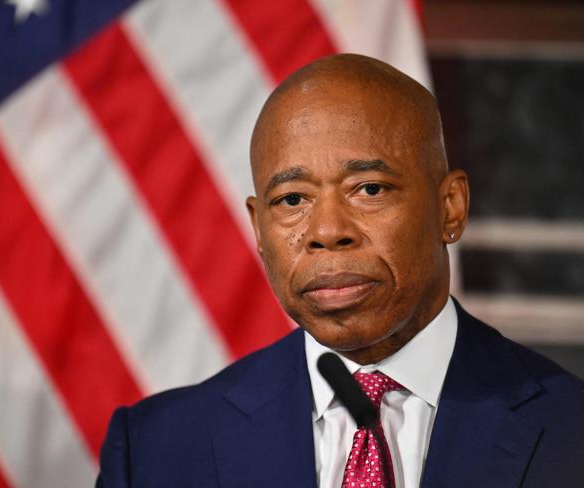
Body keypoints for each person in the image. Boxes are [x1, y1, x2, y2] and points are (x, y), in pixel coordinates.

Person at [96, 54, 584, 487]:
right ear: (259, 231)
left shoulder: (570, 431)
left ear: (450, 208)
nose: (327, 230)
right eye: (292, 199)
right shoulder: (154, 452)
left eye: (369, 189)